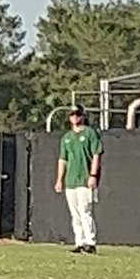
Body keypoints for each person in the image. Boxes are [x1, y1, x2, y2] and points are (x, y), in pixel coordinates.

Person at [54, 104, 103, 254]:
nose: (74, 117)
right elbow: (63, 159)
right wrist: (59, 180)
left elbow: (96, 155)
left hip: (84, 179)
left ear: (82, 116)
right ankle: (79, 242)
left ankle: (90, 242)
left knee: (85, 211)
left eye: (77, 114)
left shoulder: (90, 133)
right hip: (71, 180)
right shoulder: (66, 138)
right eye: (72, 114)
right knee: (74, 213)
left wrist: (93, 175)